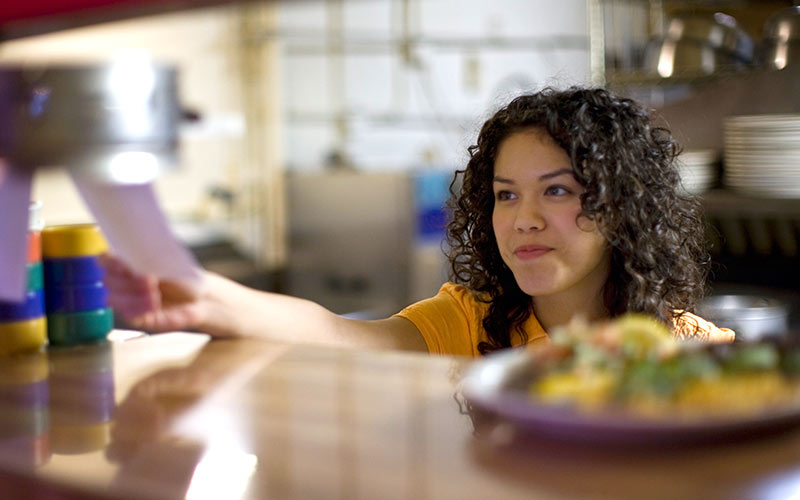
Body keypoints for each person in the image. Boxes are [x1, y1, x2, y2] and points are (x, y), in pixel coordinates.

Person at [102, 86, 734, 357]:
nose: (524, 220)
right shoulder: (471, 321)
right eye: (506, 195)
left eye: (558, 191)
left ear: (622, 206)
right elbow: (342, 337)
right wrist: (204, 294)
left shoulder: (690, 350)